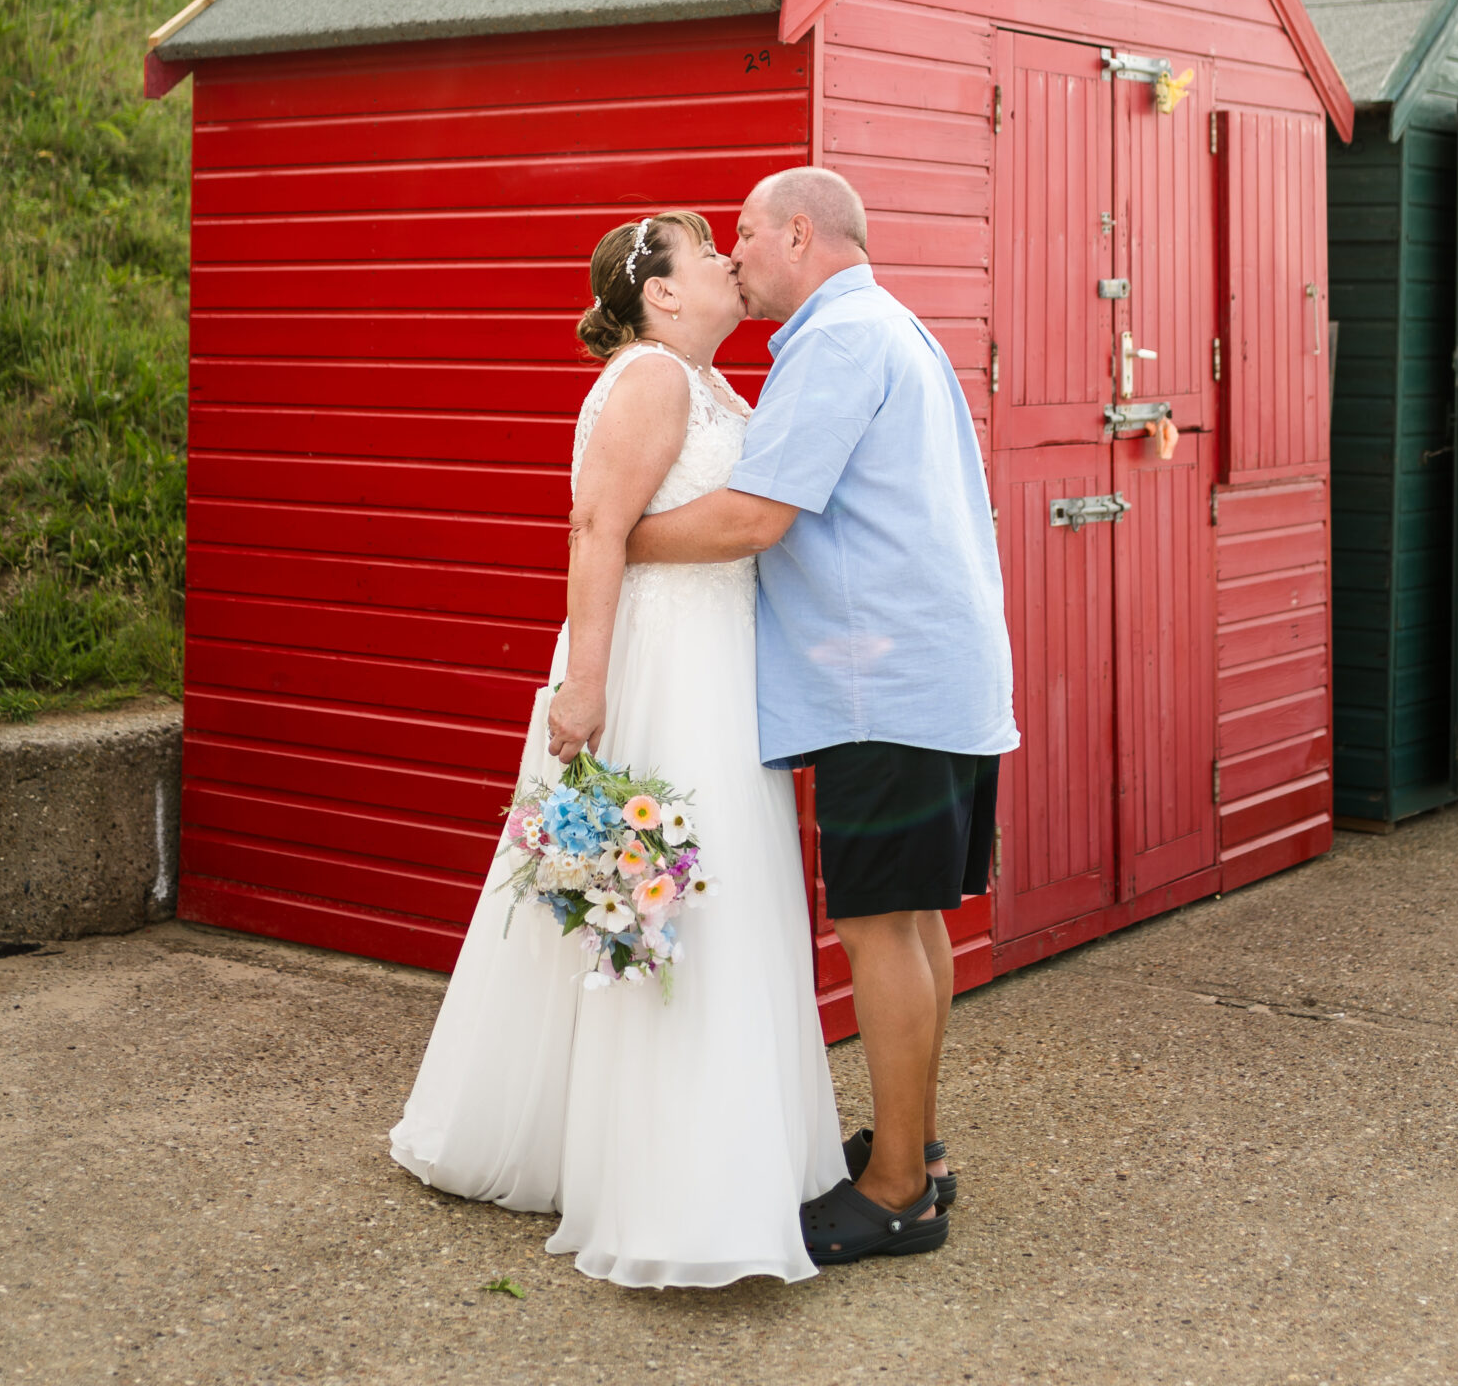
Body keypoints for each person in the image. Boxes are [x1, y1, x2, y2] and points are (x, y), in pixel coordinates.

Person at [389, 210, 843, 1288]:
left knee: (689, 892)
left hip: (717, 662)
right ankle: (667, 1177)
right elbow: (598, 531)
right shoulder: (652, 381)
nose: (729, 261)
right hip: (660, 665)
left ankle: (709, 1147)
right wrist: (584, 683)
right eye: (704, 255)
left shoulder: (700, 380)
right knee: (664, 893)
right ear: (663, 294)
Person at [624, 165, 1018, 1266]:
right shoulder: (890, 325)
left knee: (883, 925)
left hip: (878, 684)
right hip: (932, 678)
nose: (737, 256)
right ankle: (917, 1149)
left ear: (799, 232)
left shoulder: (839, 340)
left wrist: (618, 541)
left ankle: (893, 1190)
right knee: (917, 919)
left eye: (745, 235)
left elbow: (755, 516)